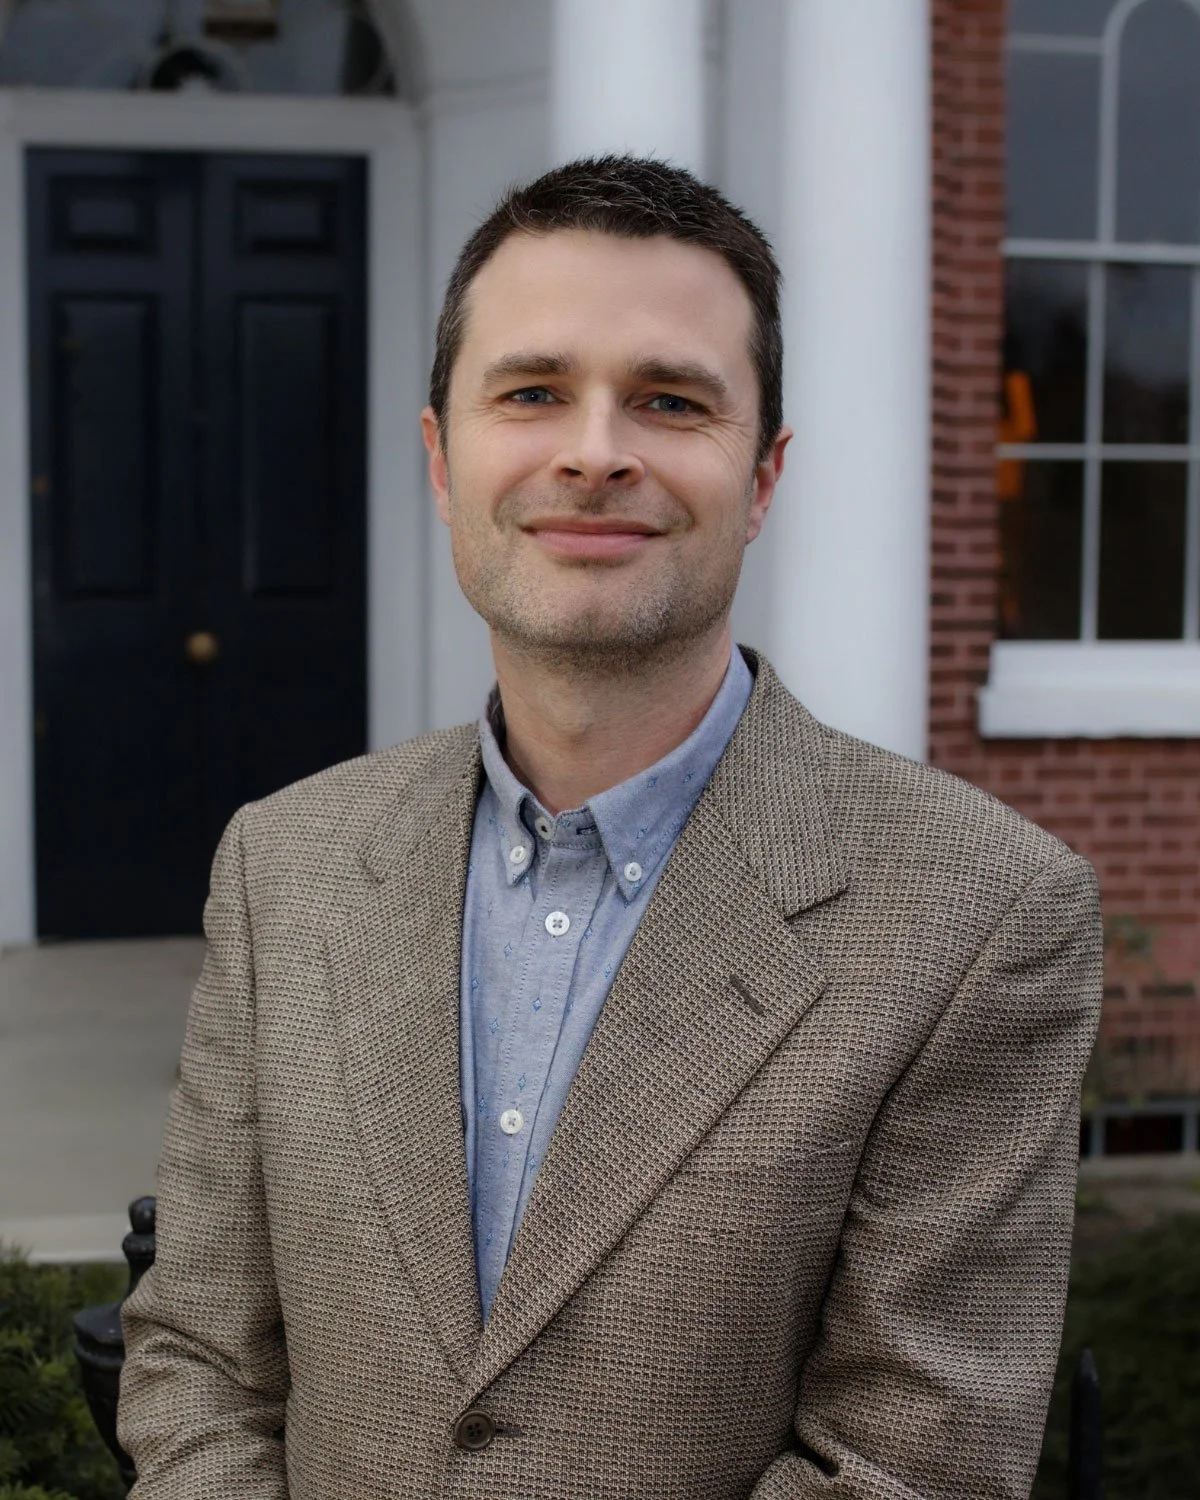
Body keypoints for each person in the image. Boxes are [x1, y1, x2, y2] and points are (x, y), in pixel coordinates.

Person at [118, 156, 1103, 1500]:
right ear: (440, 457)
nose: (594, 449)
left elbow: (906, 1462)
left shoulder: (981, 916)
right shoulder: (281, 866)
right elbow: (198, 1361)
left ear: (761, 480)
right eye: (532, 393)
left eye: (669, 400)